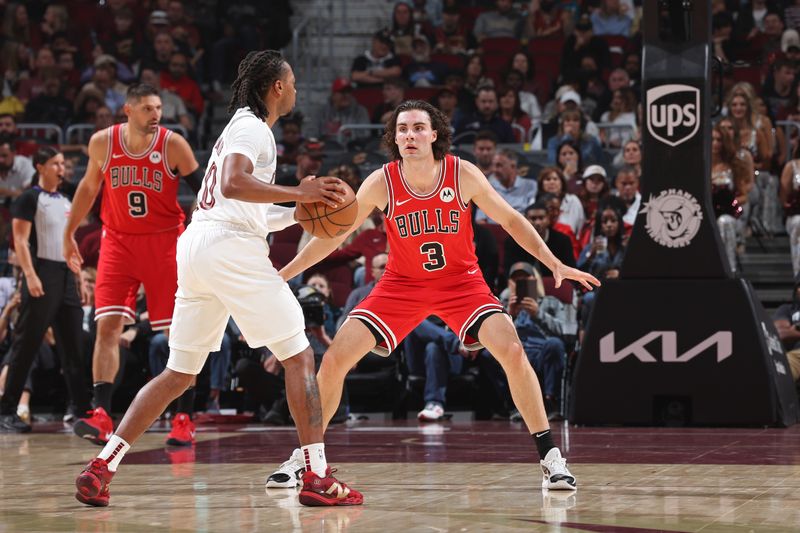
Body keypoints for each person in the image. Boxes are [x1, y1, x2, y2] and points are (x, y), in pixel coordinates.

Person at [71, 50, 362, 508]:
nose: (298, 90)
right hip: (228, 247)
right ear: (278, 87)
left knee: (177, 374)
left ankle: (102, 466)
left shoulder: (238, 127)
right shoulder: (253, 127)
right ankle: (318, 477)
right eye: (294, 82)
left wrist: (294, 212)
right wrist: (299, 191)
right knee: (301, 357)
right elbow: (231, 183)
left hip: (199, 244)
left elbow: (243, 205)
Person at [270, 100, 599, 491]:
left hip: (462, 283)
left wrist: (554, 262)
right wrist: (286, 272)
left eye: (418, 128)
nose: (410, 135)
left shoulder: (462, 173)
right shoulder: (382, 181)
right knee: (338, 354)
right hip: (400, 286)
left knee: (511, 349)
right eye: (403, 129)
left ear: (435, 133)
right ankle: (304, 458)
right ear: (394, 138)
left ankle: (550, 458)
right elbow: (337, 234)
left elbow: (510, 218)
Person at [62, 84, 202, 448]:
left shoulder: (173, 144)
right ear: (128, 110)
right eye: (147, 109)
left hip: (164, 242)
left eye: (158, 108)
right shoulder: (102, 143)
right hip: (118, 241)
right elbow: (88, 189)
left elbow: (203, 189)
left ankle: (184, 417)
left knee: (178, 334)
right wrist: (69, 233)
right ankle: (101, 414)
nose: (156, 115)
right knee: (106, 326)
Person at [0, 147, 90, 432]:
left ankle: (82, 410)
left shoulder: (66, 199)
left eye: (63, 164)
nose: (61, 169)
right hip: (41, 273)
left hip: (65, 275)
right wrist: (30, 276)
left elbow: (70, 242)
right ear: (40, 166)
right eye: (55, 164)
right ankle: (6, 410)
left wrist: (79, 280)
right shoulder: (29, 198)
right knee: (25, 345)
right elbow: (21, 241)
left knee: (74, 347)